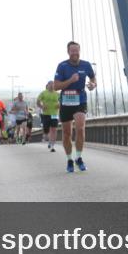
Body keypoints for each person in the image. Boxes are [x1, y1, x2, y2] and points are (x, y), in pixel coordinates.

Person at [54, 42, 96, 172]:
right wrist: (70, 81)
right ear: (68, 52)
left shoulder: (86, 65)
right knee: (67, 133)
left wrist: (93, 85)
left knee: (80, 129)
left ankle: (78, 157)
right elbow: (56, 86)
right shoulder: (62, 66)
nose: (74, 53)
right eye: (72, 51)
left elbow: (93, 78)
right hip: (66, 101)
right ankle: (69, 160)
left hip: (80, 100)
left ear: (80, 51)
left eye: (76, 50)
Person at [37, 81, 60, 152]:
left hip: (54, 114)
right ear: (48, 85)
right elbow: (38, 101)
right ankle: (48, 138)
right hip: (46, 114)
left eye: (53, 84)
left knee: (54, 129)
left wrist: (59, 105)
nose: (52, 86)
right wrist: (42, 106)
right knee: (46, 130)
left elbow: (62, 102)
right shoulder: (43, 93)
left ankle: (52, 146)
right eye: (51, 84)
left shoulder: (57, 94)